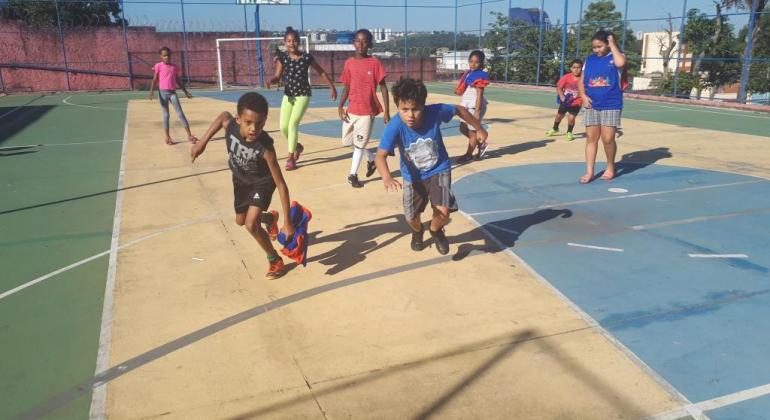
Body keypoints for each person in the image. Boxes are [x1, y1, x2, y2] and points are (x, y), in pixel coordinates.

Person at [375, 78, 487, 255]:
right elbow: (380, 156)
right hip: (413, 178)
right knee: (411, 217)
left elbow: (459, 109)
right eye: (405, 109)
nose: (410, 115)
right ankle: (418, 231)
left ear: (424, 105)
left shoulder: (435, 112)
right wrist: (386, 177)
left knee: (443, 212)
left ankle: (435, 231)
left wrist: (478, 127)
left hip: (439, 169)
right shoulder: (395, 126)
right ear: (397, 106)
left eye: (416, 109)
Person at [190, 92, 294, 279]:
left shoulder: (265, 148)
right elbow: (223, 116)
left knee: (250, 224)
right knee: (240, 220)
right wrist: (202, 143)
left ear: (264, 121)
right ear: (238, 119)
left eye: (259, 123)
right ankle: (269, 218)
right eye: (248, 122)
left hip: (262, 183)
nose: (254, 128)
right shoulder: (231, 127)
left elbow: (281, 184)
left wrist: (288, 223)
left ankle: (274, 260)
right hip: (241, 181)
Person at [267, 26, 337, 170]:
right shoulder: (283, 57)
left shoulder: (306, 57)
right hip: (289, 95)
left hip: (303, 95)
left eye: (294, 41)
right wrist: (271, 81)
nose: (291, 43)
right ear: (284, 42)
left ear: (298, 42)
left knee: (293, 124)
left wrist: (332, 87)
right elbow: (277, 76)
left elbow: (321, 72)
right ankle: (297, 146)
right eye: (288, 41)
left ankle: (291, 157)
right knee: (283, 127)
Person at [338, 29, 390, 188]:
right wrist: (340, 106)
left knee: (359, 145)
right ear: (353, 42)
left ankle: (352, 175)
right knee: (347, 142)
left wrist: (387, 111)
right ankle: (372, 158)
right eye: (357, 41)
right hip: (351, 110)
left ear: (370, 44)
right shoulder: (349, 63)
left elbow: (383, 88)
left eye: (364, 41)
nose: (360, 44)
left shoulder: (374, 63)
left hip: (367, 112)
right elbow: (346, 86)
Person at [578, 30, 626, 183]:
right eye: (594, 47)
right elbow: (581, 81)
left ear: (607, 44)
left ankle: (610, 166)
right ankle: (590, 171)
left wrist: (612, 43)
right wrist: (583, 96)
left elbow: (621, 63)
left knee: (608, 139)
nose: (596, 50)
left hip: (611, 104)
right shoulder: (589, 60)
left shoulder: (617, 56)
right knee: (591, 138)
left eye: (599, 46)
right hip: (591, 104)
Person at [148, 46, 197, 145]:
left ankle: (189, 135)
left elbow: (178, 80)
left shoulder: (174, 67)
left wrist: (185, 92)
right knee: (166, 115)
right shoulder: (158, 66)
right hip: (162, 93)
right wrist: (151, 92)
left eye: (168, 55)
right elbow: (154, 79)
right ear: (161, 57)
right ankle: (167, 137)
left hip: (172, 93)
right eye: (164, 56)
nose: (167, 57)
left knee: (180, 114)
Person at [455, 50, 490, 163]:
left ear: (481, 63)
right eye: (471, 61)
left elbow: (479, 95)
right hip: (467, 105)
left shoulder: (480, 76)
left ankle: (468, 155)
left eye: (477, 62)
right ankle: (480, 142)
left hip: (474, 106)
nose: (473, 64)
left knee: (472, 132)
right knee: (462, 127)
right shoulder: (469, 73)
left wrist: (477, 111)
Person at [546, 59, 584, 142]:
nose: (576, 69)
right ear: (571, 68)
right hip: (566, 101)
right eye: (574, 67)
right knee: (559, 116)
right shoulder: (567, 77)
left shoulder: (584, 78)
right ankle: (555, 128)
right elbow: (559, 87)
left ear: (582, 68)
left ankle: (569, 132)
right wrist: (562, 97)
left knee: (571, 118)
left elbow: (586, 90)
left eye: (578, 67)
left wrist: (578, 95)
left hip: (576, 102)